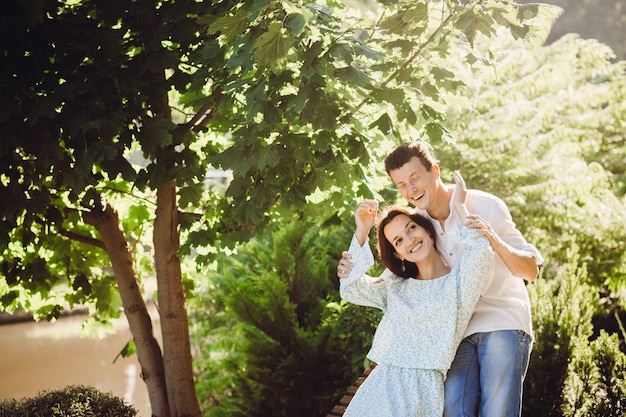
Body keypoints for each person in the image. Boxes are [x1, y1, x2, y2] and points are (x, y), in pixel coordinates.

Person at [337, 141, 544, 417]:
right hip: (457, 332)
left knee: (497, 411)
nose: (411, 190)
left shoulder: (484, 205)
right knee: (453, 409)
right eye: (401, 185)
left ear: (434, 171)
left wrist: (492, 238)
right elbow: (394, 285)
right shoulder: (418, 223)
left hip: (501, 317)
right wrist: (354, 261)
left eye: (415, 178)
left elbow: (531, 270)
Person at [339, 171, 495, 417]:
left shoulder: (459, 284)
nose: (409, 240)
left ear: (428, 231)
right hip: (380, 387)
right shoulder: (395, 286)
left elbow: (481, 250)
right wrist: (362, 231)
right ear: (398, 254)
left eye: (411, 228)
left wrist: (458, 208)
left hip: (423, 391)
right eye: (398, 241)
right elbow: (350, 289)